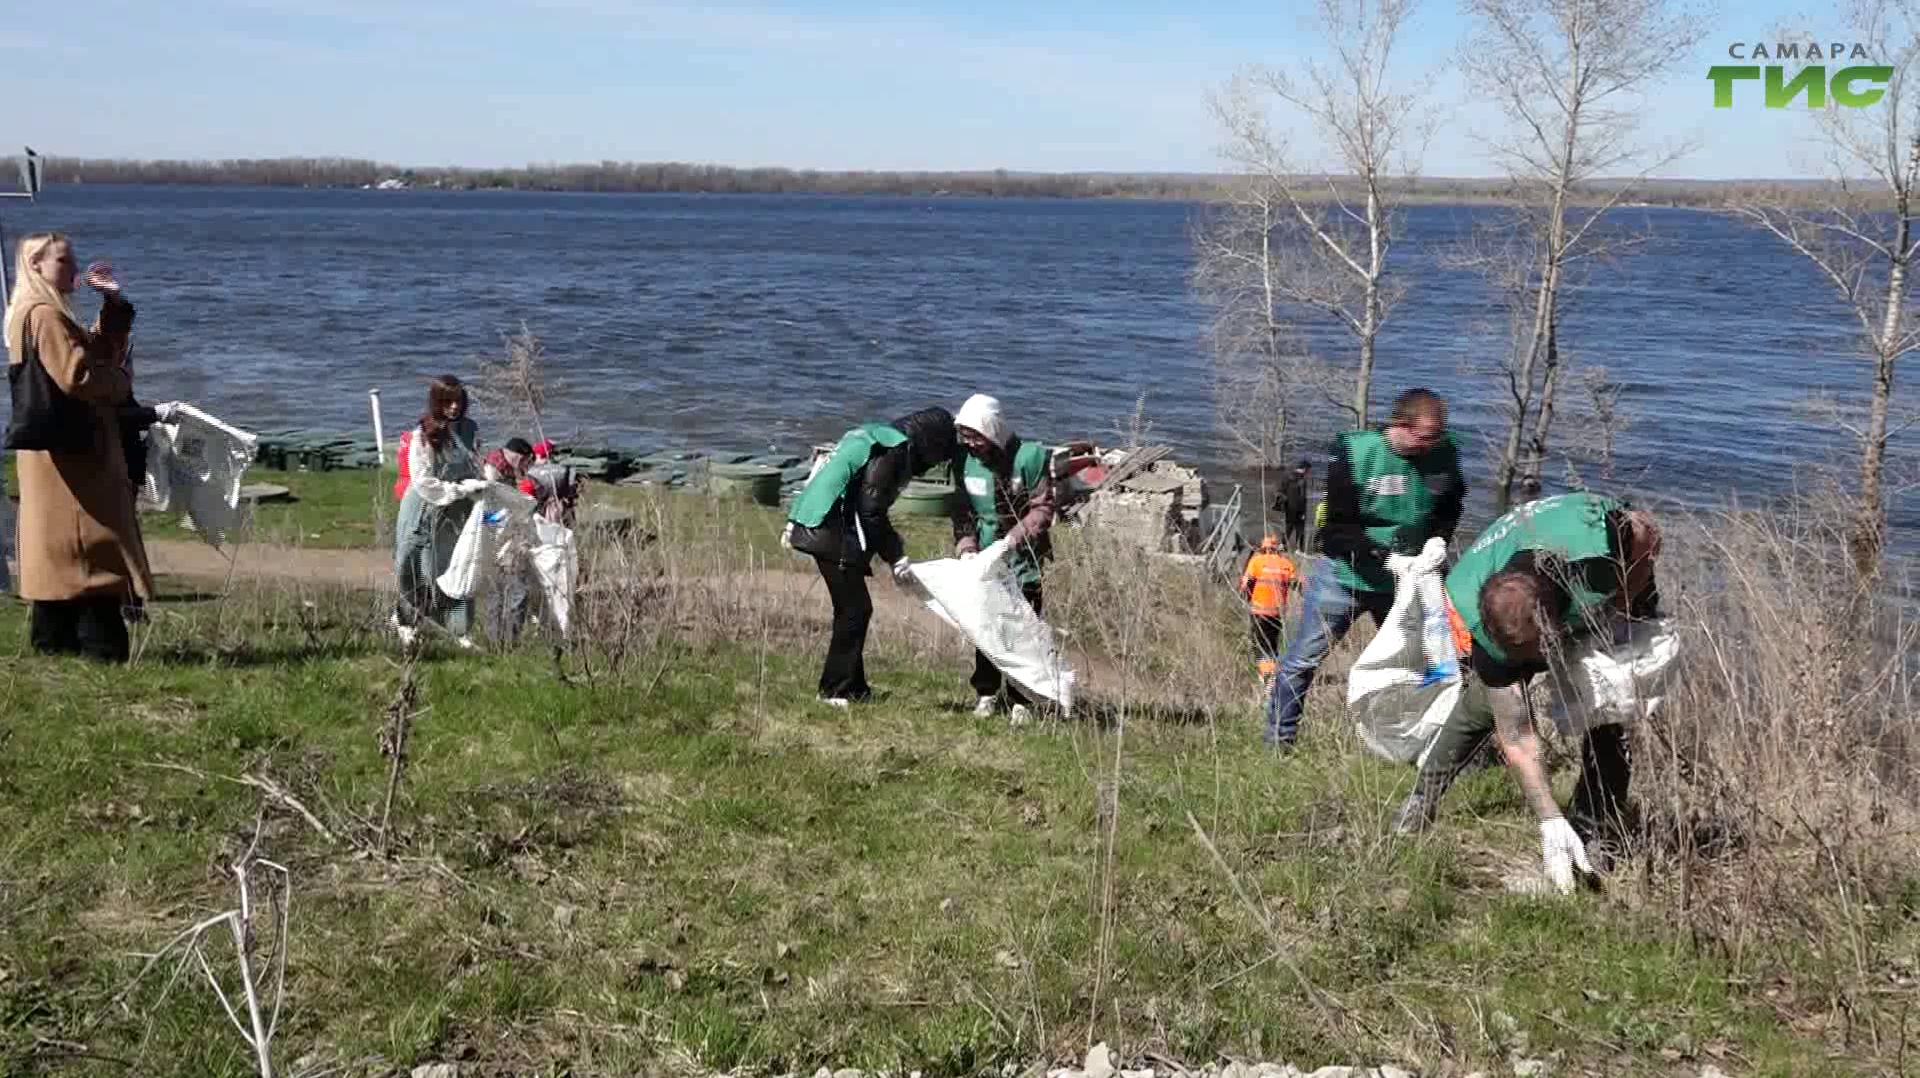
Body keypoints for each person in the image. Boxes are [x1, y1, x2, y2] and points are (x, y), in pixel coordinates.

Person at [1392, 492, 1663, 894]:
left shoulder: (1598, 547)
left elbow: (1649, 533)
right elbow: (1517, 736)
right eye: (1521, 656)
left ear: (1551, 623)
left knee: (1608, 711)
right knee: (1477, 709)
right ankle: (1419, 802)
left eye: (1537, 652)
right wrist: (1548, 817)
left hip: (1606, 593)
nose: (1536, 666)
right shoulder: (1475, 608)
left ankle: (1594, 830)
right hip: (1537, 610)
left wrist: (1623, 597)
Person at [1264, 388, 1466, 748]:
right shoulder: (1356, 456)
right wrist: (1384, 557)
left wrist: (1439, 539)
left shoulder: (1444, 455)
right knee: (1302, 661)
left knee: (1427, 662)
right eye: (1425, 438)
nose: (1431, 445)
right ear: (1400, 426)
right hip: (1345, 578)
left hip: (1409, 582)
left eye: (1437, 437)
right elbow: (1335, 531)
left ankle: (1415, 741)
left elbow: (1450, 506)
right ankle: (1278, 741)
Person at [3, 233, 157, 662]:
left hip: (54, 450)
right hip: (73, 454)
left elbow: (91, 354)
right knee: (92, 547)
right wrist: (122, 383)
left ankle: (54, 645)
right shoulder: (46, 316)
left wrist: (113, 306)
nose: (74, 269)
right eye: (64, 262)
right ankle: (101, 649)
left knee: (55, 552)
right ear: (35, 265)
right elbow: (80, 375)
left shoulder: (32, 312)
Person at [785, 406, 960, 706]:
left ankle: (854, 687)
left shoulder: (876, 434)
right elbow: (871, 510)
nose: (933, 464)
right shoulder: (893, 451)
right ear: (931, 442)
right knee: (855, 610)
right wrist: (896, 555)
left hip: (812, 519)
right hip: (828, 527)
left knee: (852, 609)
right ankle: (834, 690)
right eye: (940, 454)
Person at [951, 393, 1056, 725]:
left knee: (1023, 632)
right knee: (985, 628)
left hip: (1023, 559)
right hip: (983, 558)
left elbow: (1043, 507)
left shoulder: (1029, 458)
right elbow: (962, 508)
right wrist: (967, 547)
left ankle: (1021, 699)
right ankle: (986, 692)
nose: (971, 443)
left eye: (976, 436)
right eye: (965, 436)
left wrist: (1014, 538)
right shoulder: (965, 461)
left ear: (992, 430)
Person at [391, 375, 489, 649]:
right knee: (415, 566)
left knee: (456, 564)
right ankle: (407, 620)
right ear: (437, 402)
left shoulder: (471, 429)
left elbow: (476, 462)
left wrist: (482, 483)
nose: (454, 407)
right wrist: (457, 491)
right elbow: (422, 480)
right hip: (425, 507)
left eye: (458, 401)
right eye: (447, 402)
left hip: (458, 509)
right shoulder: (422, 434)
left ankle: (460, 629)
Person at [1240, 535, 1299, 690]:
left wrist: (1247, 598)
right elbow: (1299, 585)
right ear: (1278, 548)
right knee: (1272, 646)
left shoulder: (1257, 561)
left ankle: (1268, 678)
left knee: (1260, 646)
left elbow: (1245, 585)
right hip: (1277, 614)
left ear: (1262, 547)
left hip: (1259, 612)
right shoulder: (1286, 564)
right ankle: (1273, 675)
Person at [1273, 459, 1312, 551]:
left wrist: (1282, 503)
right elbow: (1302, 497)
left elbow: (1280, 490)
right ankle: (1300, 549)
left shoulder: (1287, 476)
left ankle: (1283, 545)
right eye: (1309, 470)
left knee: (1288, 526)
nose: (1309, 473)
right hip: (1298, 508)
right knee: (1300, 529)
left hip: (1288, 507)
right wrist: (1303, 512)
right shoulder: (1302, 480)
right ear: (1305, 469)